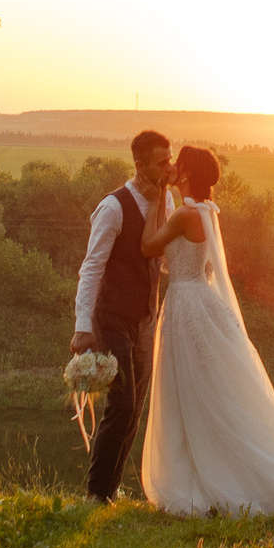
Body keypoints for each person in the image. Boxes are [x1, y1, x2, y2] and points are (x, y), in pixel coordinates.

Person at [138, 144, 274, 515]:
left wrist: (156, 195)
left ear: (188, 174)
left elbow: (148, 247)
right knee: (207, 391)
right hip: (199, 301)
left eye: (178, 163)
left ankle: (218, 478)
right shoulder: (207, 211)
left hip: (187, 304)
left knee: (196, 393)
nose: (172, 166)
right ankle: (208, 469)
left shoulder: (184, 215)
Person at [70, 129, 173, 503]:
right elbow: (92, 267)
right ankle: (95, 493)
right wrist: (83, 327)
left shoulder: (166, 199)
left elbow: (160, 257)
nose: (170, 168)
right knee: (123, 403)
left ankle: (108, 493)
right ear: (140, 165)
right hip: (111, 317)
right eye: (163, 162)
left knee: (136, 407)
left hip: (146, 318)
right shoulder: (113, 207)